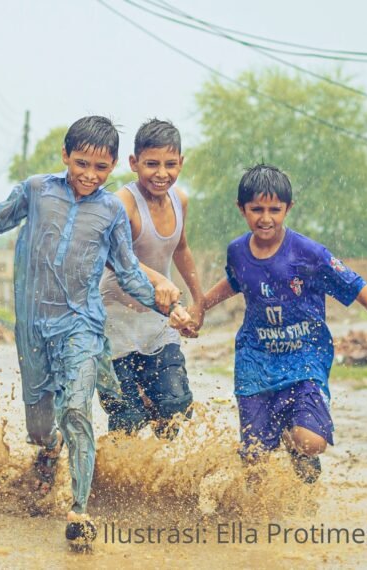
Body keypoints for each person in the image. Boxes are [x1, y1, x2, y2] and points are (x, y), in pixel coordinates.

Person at [0, 116, 189, 545]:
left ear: (114, 166)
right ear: (65, 156)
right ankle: (48, 448)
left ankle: (80, 509)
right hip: (33, 329)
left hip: (82, 325)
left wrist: (169, 308)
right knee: (41, 425)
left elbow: (129, 273)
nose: (90, 175)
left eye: (101, 168)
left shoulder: (112, 211)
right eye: (81, 164)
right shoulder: (36, 190)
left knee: (76, 409)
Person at [177, 164, 367, 483]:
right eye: (256, 209)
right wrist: (200, 306)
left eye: (275, 210)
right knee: (255, 460)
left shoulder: (309, 253)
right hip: (255, 361)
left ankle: (294, 442)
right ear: (241, 209)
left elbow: (356, 285)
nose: (266, 218)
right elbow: (235, 282)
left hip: (305, 358)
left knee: (311, 442)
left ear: (288, 208)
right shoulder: (237, 251)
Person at [99, 119, 204, 438]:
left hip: (158, 320)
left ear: (181, 163)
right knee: (127, 418)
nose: (161, 173)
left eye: (170, 164)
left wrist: (199, 301)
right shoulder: (122, 203)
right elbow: (114, 257)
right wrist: (158, 280)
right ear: (134, 163)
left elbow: (181, 248)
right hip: (115, 318)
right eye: (151, 164)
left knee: (174, 407)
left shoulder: (180, 200)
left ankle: (157, 468)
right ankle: (118, 469)